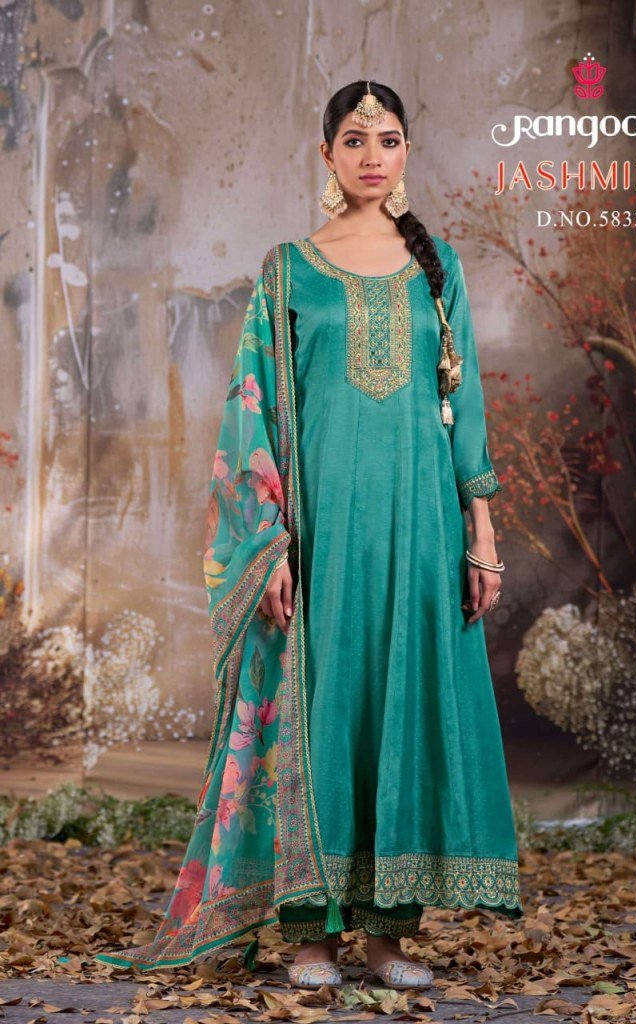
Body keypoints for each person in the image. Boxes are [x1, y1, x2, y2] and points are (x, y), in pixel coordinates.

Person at [93, 79, 522, 992]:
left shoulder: (437, 267)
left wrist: (480, 535)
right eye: (355, 139)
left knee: (401, 706)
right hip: (322, 532)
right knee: (324, 712)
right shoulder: (287, 270)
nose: (373, 155)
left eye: (389, 139)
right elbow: (248, 410)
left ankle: (387, 938)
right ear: (326, 154)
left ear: (406, 154)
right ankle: (311, 937)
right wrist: (269, 542)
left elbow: (466, 409)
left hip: (417, 531)